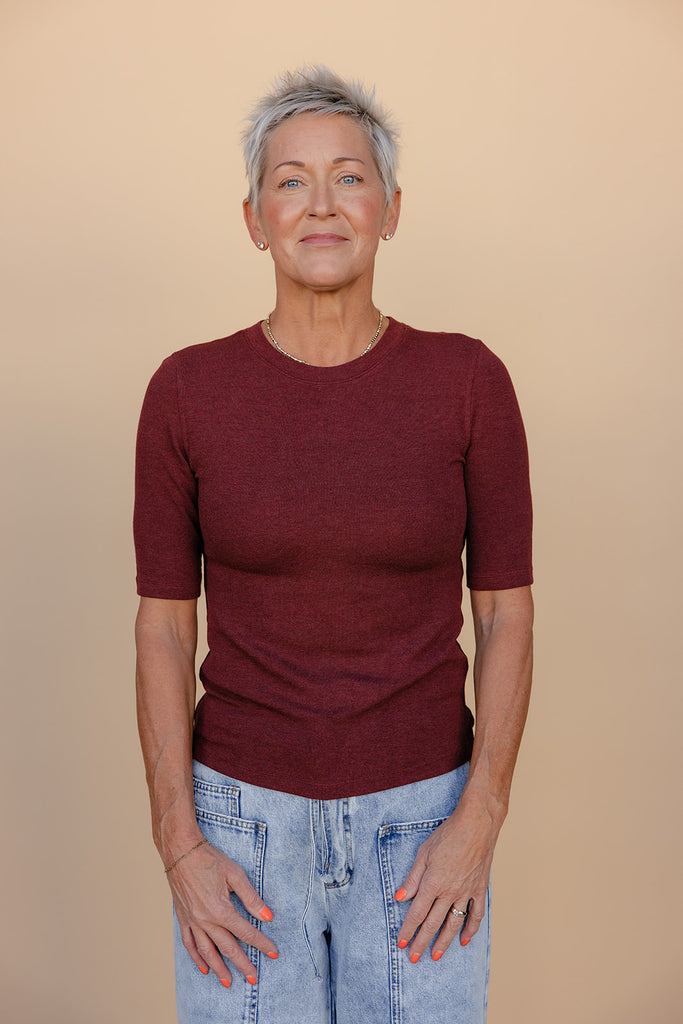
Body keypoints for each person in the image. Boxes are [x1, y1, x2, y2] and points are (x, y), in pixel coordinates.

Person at [134, 65, 533, 1024]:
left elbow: (505, 613)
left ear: (390, 208)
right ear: (252, 216)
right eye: (291, 180)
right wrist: (179, 842)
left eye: (350, 177)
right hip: (239, 827)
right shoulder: (187, 391)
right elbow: (159, 629)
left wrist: (479, 817)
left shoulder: (467, 381)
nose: (321, 204)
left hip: (423, 825)